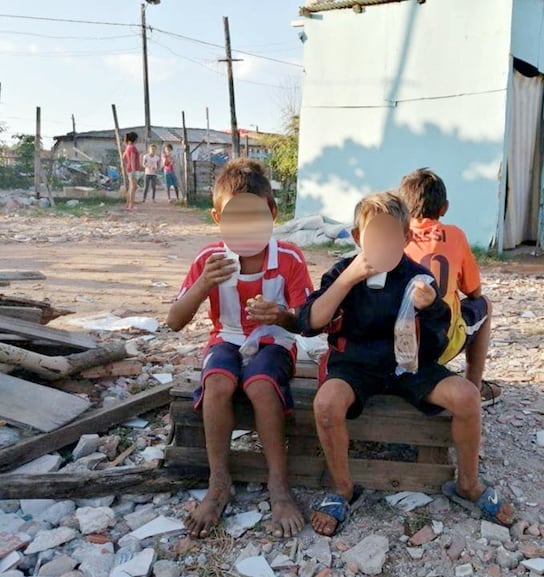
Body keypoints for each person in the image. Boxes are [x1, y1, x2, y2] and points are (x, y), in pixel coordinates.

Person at [297, 191, 515, 537]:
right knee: (325, 403)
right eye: (374, 236)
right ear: (358, 238)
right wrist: (349, 278)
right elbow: (311, 322)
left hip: (410, 366)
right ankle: (342, 489)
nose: (383, 244)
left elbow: (440, 342)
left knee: (467, 396)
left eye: (390, 236)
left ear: (406, 238)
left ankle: (468, 483)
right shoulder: (342, 271)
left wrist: (430, 307)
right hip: (356, 364)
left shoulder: (418, 278)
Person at [167, 158, 313, 539]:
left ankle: (278, 485)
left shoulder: (289, 259)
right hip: (226, 338)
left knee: (261, 385)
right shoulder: (209, 260)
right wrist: (202, 286)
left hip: (273, 341)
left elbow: (308, 321)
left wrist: (281, 315)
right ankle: (219, 483)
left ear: (273, 213)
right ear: (217, 218)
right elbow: (174, 321)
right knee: (217, 385)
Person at [400, 168, 501, 406]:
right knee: (484, 304)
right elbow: (474, 292)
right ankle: (474, 388)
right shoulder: (454, 235)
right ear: (444, 208)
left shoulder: (395, 235)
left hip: (395, 343)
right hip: (440, 343)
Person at [122, 131, 140, 211]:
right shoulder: (132, 147)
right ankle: (131, 205)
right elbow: (132, 159)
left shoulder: (128, 147)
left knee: (131, 187)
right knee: (133, 187)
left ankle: (127, 204)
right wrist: (133, 170)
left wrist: (126, 165)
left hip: (128, 169)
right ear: (135, 139)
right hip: (132, 169)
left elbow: (124, 157)